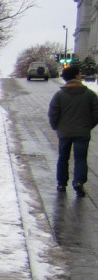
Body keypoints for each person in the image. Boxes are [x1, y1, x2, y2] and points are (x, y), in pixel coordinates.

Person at [48, 64, 98, 197]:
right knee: (81, 158)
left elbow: (53, 113)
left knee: (63, 157)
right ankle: (79, 181)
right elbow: (96, 114)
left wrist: (56, 127)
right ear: (77, 76)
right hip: (82, 132)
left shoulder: (59, 95)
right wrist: (88, 126)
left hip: (64, 132)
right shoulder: (90, 95)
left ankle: (61, 183)